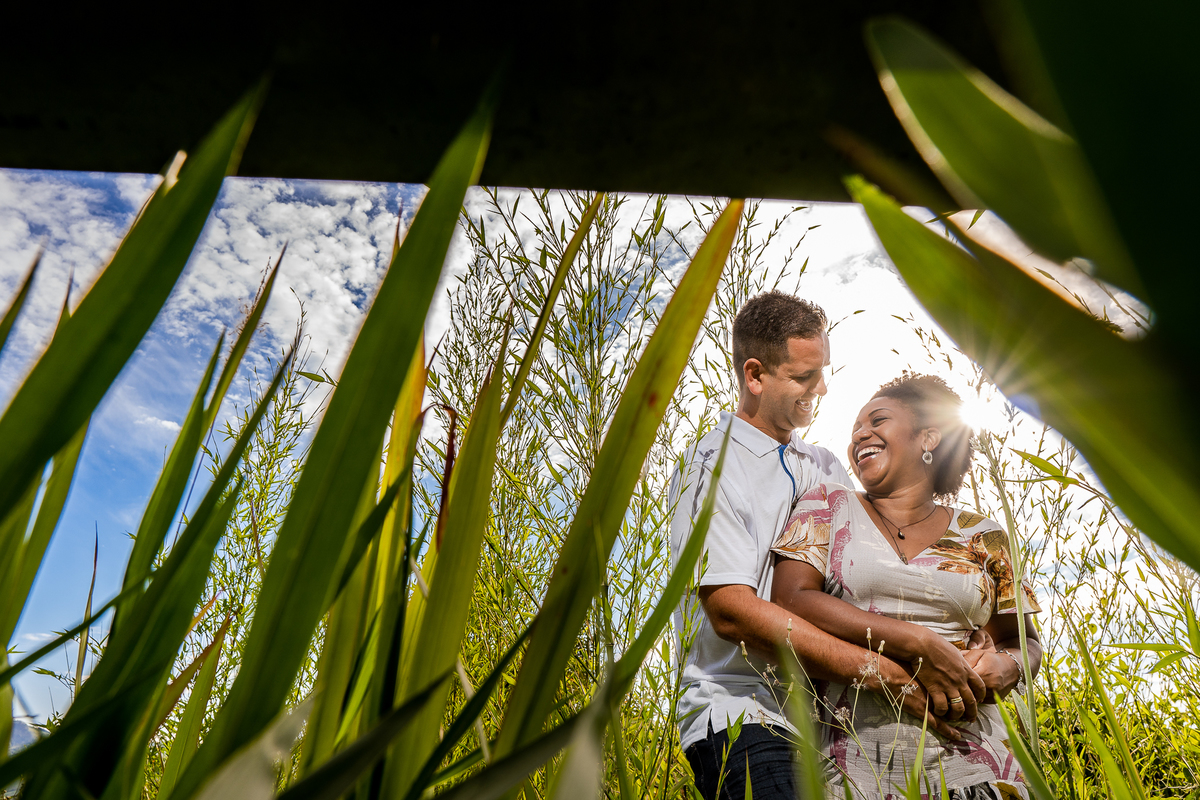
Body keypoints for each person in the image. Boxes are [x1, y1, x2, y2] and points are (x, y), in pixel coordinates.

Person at [670, 296, 985, 800]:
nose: (821, 387)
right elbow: (730, 611)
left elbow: (868, 573)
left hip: (832, 723)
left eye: (824, 371)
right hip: (744, 712)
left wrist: (960, 637)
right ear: (755, 375)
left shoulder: (826, 466)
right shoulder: (712, 463)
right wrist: (881, 670)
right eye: (805, 376)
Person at [771, 373, 1043, 799]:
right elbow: (791, 599)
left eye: (877, 420)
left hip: (981, 766)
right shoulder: (827, 505)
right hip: (857, 770)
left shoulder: (983, 534)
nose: (860, 434)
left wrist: (1005, 667)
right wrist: (918, 642)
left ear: (928, 437)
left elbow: (1023, 642)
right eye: (856, 429)